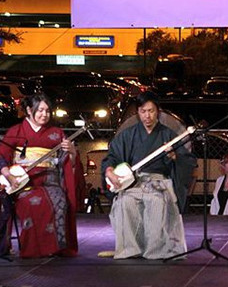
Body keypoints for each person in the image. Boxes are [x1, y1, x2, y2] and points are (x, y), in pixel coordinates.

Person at [102, 91, 196, 259]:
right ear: (138, 112)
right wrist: (109, 171)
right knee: (125, 202)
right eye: (143, 111)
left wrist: (174, 156)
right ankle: (130, 249)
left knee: (157, 202)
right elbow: (112, 156)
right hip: (135, 182)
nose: (147, 116)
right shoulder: (129, 135)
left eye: (151, 111)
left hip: (158, 183)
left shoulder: (168, 134)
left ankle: (156, 250)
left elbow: (187, 160)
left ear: (157, 111)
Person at [0, 93, 84, 258]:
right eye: (40, 110)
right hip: (23, 183)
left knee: (59, 201)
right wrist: (8, 175)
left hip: (50, 182)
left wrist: (72, 152)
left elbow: (66, 162)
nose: (44, 114)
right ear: (29, 110)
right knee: (30, 202)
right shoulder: (16, 131)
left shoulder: (57, 133)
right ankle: (32, 249)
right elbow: (1, 156)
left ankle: (54, 248)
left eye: (47, 111)